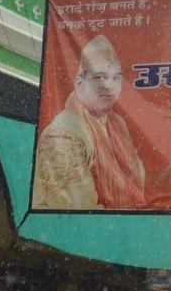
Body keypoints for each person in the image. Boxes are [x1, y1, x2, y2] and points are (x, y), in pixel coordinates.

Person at [34, 35, 146, 210]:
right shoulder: (62, 134)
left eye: (116, 78)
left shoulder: (117, 125)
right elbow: (78, 212)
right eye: (99, 77)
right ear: (80, 84)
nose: (109, 86)